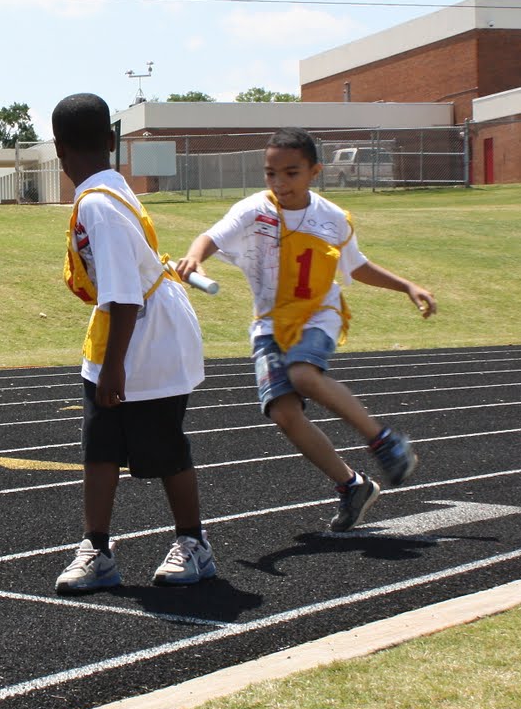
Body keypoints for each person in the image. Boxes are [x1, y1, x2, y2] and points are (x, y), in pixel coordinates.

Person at [177, 127, 436, 533]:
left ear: (315, 171)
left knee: (302, 374)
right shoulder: (255, 209)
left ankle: (385, 441)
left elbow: (355, 266)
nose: (280, 183)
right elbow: (213, 235)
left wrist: (406, 285)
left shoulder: (331, 218)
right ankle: (351, 485)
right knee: (283, 412)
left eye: (291, 173)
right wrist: (194, 256)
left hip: (318, 315)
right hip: (269, 322)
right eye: (271, 174)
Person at [51, 92, 216, 595]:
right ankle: (96, 550)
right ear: (111, 141)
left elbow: (123, 297)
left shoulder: (98, 205)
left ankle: (195, 544)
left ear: (58, 151)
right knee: (100, 445)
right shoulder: (110, 189)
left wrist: (114, 369)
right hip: (127, 332)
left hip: (148, 337)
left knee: (162, 446)